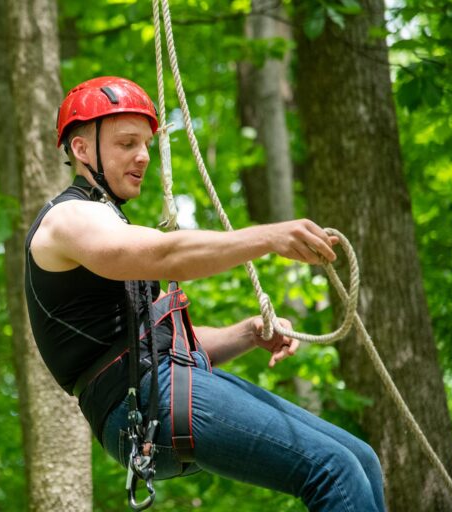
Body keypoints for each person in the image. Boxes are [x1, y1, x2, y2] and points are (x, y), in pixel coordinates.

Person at [24, 76, 385, 511]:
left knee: (360, 461)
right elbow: (163, 255)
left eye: (146, 145)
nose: (142, 156)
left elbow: (154, 344)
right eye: (126, 143)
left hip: (164, 382)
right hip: (141, 402)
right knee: (333, 470)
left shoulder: (104, 219)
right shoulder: (68, 219)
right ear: (82, 150)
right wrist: (267, 238)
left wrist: (248, 333)